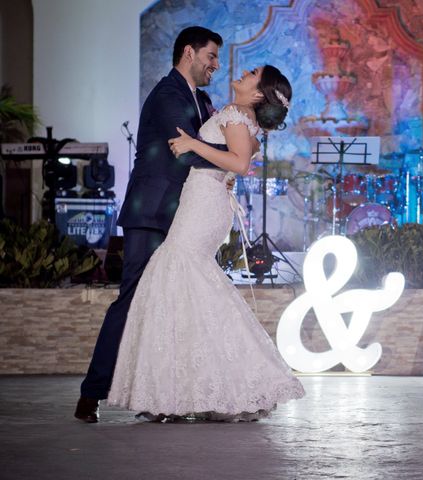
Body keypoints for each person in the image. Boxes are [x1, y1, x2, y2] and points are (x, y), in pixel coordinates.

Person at [106, 65, 304, 421]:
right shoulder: (243, 119)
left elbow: (240, 163)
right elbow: (239, 156)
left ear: (258, 94)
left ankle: (217, 384)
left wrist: (193, 143)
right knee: (187, 286)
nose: (244, 72)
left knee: (179, 274)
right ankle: (186, 391)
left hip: (203, 205)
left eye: (253, 73)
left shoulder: (235, 114)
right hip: (205, 201)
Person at [75, 26, 228, 423]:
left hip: (182, 217)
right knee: (132, 302)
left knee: (168, 307)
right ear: (189, 53)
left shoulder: (203, 98)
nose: (216, 65)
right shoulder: (167, 95)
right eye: (211, 56)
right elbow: (188, 151)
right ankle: (91, 394)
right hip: (152, 214)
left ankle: (160, 396)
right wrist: (237, 155)